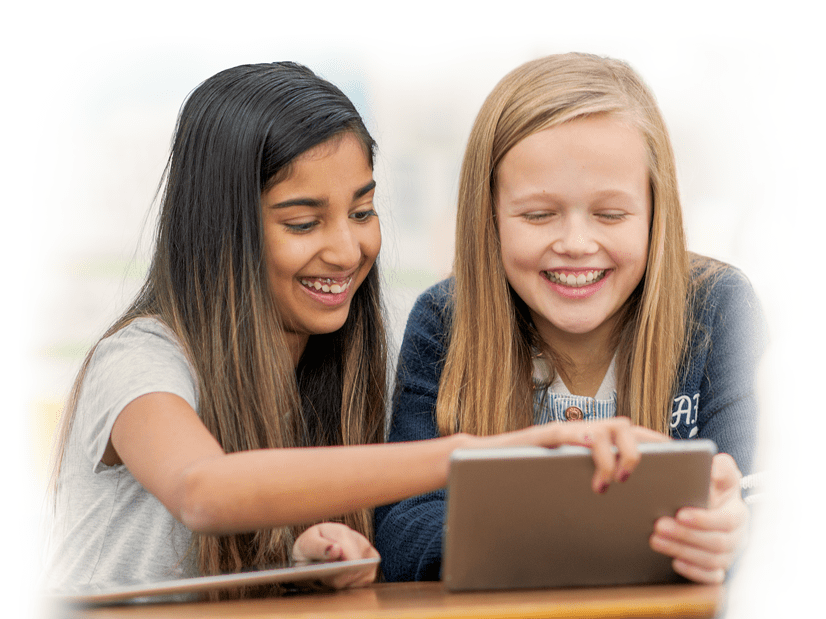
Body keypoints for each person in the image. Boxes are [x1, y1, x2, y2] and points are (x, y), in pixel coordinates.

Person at [45, 61, 661, 600]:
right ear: (220, 231)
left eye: (362, 212)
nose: (347, 249)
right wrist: (471, 455)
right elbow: (203, 491)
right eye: (304, 222)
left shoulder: (327, 368)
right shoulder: (138, 360)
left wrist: (303, 559)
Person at [375, 52, 765, 585]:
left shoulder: (720, 308)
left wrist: (730, 532)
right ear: (488, 216)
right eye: (538, 215)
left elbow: (754, 500)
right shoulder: (444, 321)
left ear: (657, 211)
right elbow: (399, 526)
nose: (576, 244)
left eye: (611, 214)